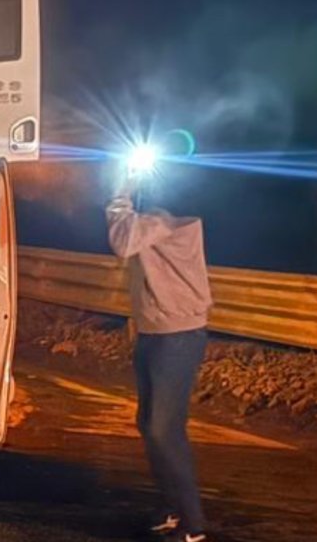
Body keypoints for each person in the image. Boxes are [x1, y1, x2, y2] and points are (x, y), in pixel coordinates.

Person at [107, 181, 212, 542]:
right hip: (158, 333)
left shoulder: (166, 222)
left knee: (162, 428)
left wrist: (119, 194)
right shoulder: (159, 222)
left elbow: (122, 242)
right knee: (151, 424)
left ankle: (193, 524)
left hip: (176, 337)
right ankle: (172, 508)